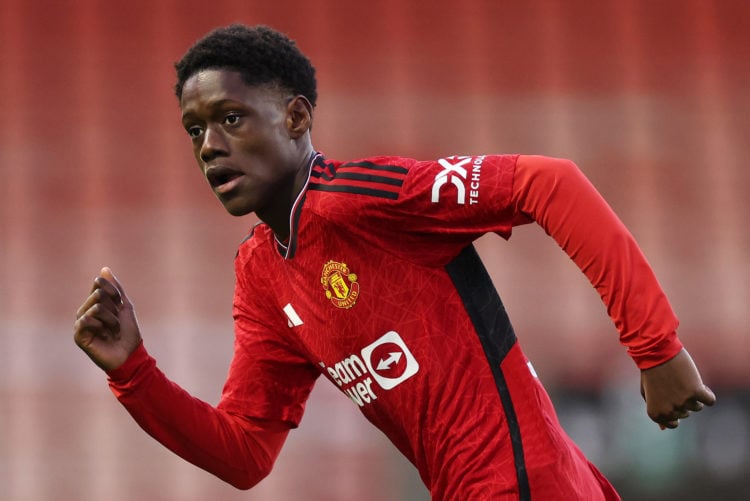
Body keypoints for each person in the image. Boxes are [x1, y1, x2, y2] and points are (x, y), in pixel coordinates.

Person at [73, 24, 716, 500]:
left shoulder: (358, 200)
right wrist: (135, 374)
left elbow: (550, 182)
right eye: (194, 130)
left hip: (525, 484)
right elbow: (247, 453)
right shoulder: (262, 275)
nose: (210, 146)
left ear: (297, 117)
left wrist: (656, 349)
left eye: (231, 118)